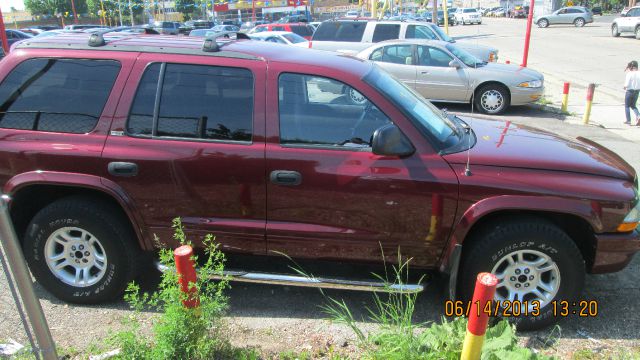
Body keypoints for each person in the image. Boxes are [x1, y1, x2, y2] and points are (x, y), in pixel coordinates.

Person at [624, 60, 640, 125]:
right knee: (633, 105)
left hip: (630, 91)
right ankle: (638, 116)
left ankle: (628, 120)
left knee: (627, 106)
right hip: (637, 91)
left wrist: (624, 87)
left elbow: (627, 84)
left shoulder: (630, 73)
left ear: (631, 67)